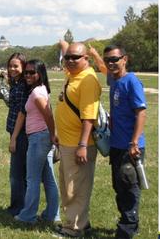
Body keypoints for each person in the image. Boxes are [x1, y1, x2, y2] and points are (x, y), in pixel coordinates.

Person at [54, 42, 101, 237]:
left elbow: (89, 116)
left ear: (86, 59)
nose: (71, 61)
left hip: (79, 144)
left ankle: (74, 228)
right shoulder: (72, 75)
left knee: (76, 188)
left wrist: (83, 144)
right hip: (66, 142)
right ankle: (81, 222)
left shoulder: (88, 80)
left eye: (76, 57)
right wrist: (64, 45)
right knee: (68, 186)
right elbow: (67, 53)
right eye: (68, 57)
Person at [103, 45, 147, 239]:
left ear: (124, 59)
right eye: (107, 60)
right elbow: (104, 69)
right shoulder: (114, 79)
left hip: (130, 146)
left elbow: (141, 112)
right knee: (119, 186)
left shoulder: (132, 82)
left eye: (114, 59)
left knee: (129, 186)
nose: (111, 63)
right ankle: (128, 222)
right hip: (116, 145)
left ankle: (128, 228)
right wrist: (95, 56)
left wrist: (135, 142)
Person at [13, 60, 59, 224]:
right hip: (41, 137)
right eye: (26, 72)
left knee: (32, 179)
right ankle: (52, 214)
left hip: (38, 139)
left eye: (32, 72)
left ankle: (28, 216)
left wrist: (53, 135)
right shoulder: (41, 89)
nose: (28, 75)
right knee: (48, 179)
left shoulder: (37, 93)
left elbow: (48, 115)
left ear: (40, 73)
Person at [6, 53, 29, 216]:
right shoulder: (16, 83)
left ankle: (18, 207)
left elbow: (22, 112)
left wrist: (13, 138)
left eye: (16, 66)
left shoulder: (22, 86)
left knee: (17, 173)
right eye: (11, 66)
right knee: (20, 172)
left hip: (20, 134)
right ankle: (20, 205)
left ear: (23, 67)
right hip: (16, 132)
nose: (12, 69)